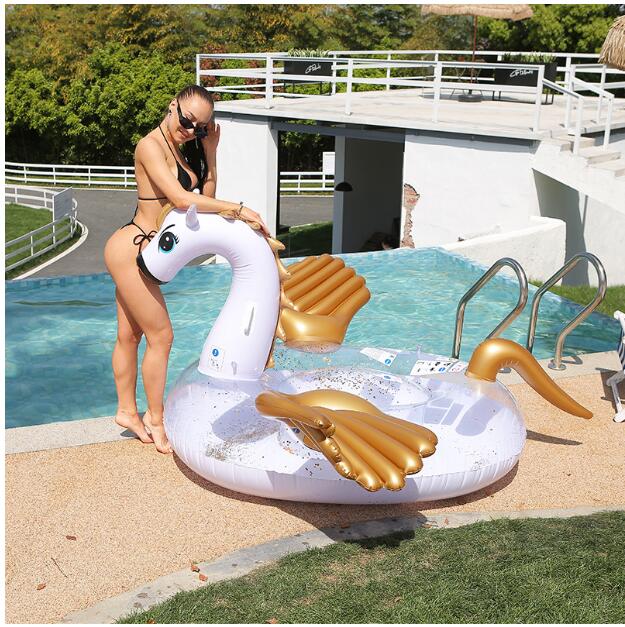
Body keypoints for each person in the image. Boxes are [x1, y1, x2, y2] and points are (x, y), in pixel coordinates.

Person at [104, 85, 269, 453]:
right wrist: (240, 208)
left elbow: (203, 200)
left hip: (147, 254)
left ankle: (126, 411)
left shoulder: (180, 150)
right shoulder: (150, 146)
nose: (191, 129)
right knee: (161, 336)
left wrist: (210, 154)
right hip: (132, 250)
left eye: (200, 127)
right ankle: (156, 419)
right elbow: (180, 199)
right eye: (187, 119)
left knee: (130, 336)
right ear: (172, 106)